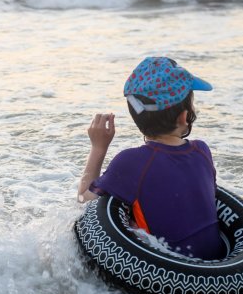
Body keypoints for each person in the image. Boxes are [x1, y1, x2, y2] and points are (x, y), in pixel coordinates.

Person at [77, 57, 222, 260]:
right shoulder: (202, 151)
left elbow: (83, 200)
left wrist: (98, 147)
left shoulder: (131, 162)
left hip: (169, 278)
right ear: (183, 117)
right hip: (219, 267)